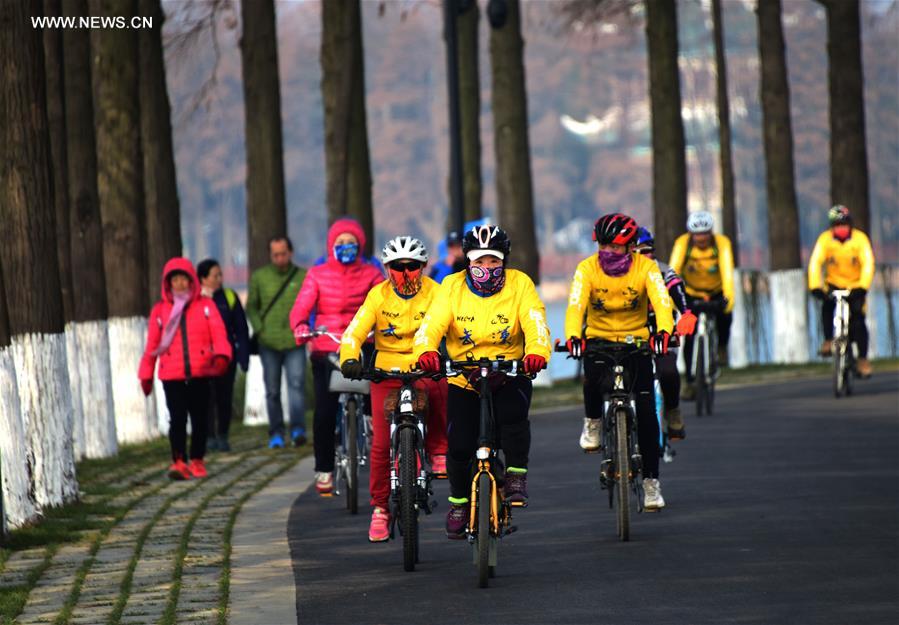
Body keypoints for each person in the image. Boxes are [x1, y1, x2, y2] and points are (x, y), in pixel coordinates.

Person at [414, 224, 551, 539]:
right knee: (460, 445)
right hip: (464, 376)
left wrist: (537, 353)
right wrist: (426, 352)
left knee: (513, 418)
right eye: (478, 261)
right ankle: (460, 504)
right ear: (467, 261)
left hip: (510, 372)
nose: (486, 268)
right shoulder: (450, 287)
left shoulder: (520, 284)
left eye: (493, 261)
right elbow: (431, 325)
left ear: (504, 260)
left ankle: (516, 475)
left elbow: (535, 321)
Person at [339, 236, 449, 542]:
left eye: (412, 266)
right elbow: (354, 332)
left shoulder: (437, 293)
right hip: (385, 370)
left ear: (423, 267)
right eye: (397, 267)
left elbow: (453, 327)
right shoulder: (378, 295)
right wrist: (350, 358)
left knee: (442, 386)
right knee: (378, 443)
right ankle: (380, 510)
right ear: (387, 268)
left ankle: (439, 450)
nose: (405, 273)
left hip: (424, 363)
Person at [565, 214, 673, 510]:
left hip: (636, 341)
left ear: (631, 247)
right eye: (604, 245)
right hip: (599, 339)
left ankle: (651, 483)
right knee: (591, 379)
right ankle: (593, 422)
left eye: (616, 246)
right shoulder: (586, 269)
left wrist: (664, 332)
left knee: (649, 414)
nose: (609, 251)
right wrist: (574, 336)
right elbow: (575, 306)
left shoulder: (647, 268)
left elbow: (662, 303)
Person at [290, 218, 385, 495]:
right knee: (324, 412)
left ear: (361, 246)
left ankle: (371, 423)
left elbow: (385, 302)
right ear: (331, 246)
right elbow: (302, 305)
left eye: (351, 243)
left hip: (361, 341)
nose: (346, 248)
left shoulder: (371, 274)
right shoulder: (317, 274)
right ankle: (324, 470)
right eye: (340, 243)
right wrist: (300, 325)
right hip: (326, 345)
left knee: (375, 384)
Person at [139, 258, 232, 480]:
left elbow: (219, 333)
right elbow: (152, 345)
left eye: (184, 279)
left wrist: (221, 356)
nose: (180, 284)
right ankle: (178, 460)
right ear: (168, 283)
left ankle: (197, 459)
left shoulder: (205, 306)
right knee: (177, 419)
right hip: (172, 375)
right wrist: (146, 373)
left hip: (201, 372)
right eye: (175, 280)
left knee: (200, 419)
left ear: (192, 282)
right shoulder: (160, 311)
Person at [633, 227, 695, 440]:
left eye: (648, 250)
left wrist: (686, 313)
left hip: (661, 329)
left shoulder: (663, 270)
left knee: (668, 370)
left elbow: (677, 288)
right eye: (637, 251)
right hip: (629, 332)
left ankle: (673, 410)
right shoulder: (616, 274)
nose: (643, 256)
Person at [246, 236, 307, 449]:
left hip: (295, 341)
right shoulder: (260, 277)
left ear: (290, 253)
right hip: (268, 343)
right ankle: (276, 433)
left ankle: (298, 429)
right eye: (275, 255)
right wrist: (259, 328)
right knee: (272, 390)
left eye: (283, 253)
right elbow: (252, 307)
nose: (279, 258)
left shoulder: (302, 276)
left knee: (296, 386)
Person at [669, 210, 734, 399]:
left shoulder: (721, 243)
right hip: (691, 292)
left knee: (726, 317)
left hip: (716, 290)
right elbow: (673, 272)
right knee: (689, 334)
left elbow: (728, 272)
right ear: (690, 233)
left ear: (711, 232)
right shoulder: (683, 244)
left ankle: (722, 348)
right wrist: (674, 301)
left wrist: (728, 301)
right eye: (697, 234)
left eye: (705, 233)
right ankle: (690, 381)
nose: (701, 238)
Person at [808, 204, 875, 377]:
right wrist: (815, 286)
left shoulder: (860, 239)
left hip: (855, 285)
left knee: (858, 320)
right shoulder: (825, 240)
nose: (841, 228)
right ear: (832, 227)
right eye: (837, 225)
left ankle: (862, 360)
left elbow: (868, 263)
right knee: (826, 307)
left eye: (844, 224)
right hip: (834, 284)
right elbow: (815, 263)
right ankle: (828, 341)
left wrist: (863, 286)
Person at [197, 259, 250, 452]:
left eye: (220, 275)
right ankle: (208, 435)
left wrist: (243, 356)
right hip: (202, 359)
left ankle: (223, 435)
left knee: (224, 398)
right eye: (215, 275)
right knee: (205, 398)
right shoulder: (195, 300)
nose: (219, 279)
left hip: (226, 357)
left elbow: (241, 329)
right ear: (203, 278)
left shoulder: (229, 297)